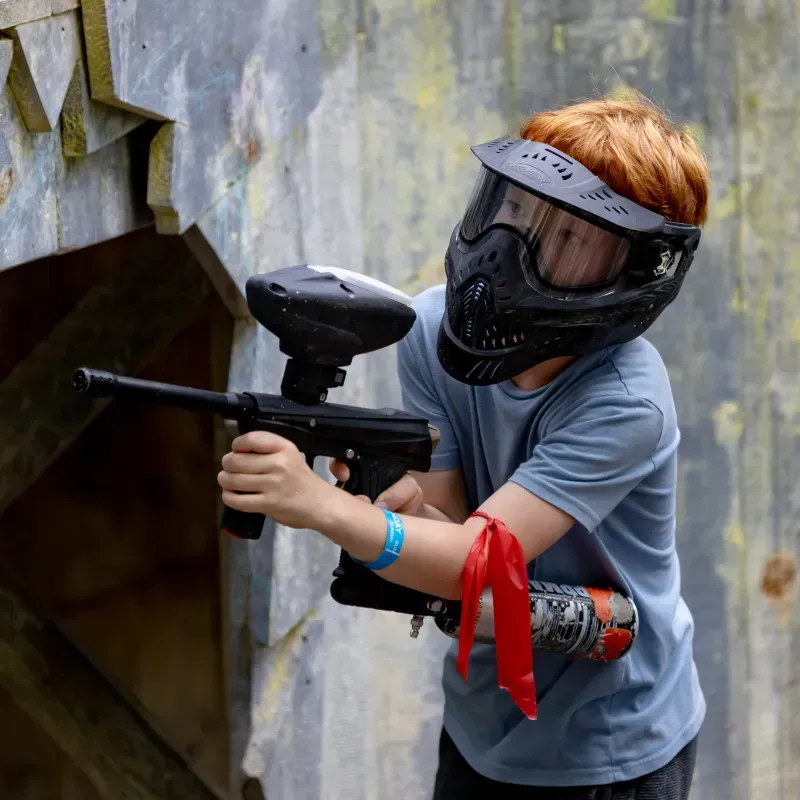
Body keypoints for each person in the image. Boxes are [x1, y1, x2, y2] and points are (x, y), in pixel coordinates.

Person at [217, 92, 709, 799]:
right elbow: (445, 531)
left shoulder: (625, 401)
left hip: (609, 742)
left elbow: (479, 564)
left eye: (572, 239)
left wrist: (322, 507)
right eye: (515, 209)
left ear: (633, 272)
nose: (517, 248)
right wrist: (397, 505)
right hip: (484, 720)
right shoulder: (429, 328)